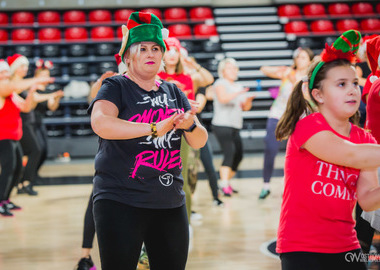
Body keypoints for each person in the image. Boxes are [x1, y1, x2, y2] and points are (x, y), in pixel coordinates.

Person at [88, 11, 208, 270]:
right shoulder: (115, 86)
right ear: (128, 55)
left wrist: (189, 125)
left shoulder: (174, 90)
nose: (150, 54)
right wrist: (154, 128)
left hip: (169, 201)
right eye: (142, 48)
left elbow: (199, 139)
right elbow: (101, 123)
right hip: (120, 199)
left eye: (156, 48)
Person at [275, 30, 380, 270]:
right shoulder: (308, 127)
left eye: (354, 83)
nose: (352, 89)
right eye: (341, 84)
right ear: (318, 95)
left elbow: (367, 200)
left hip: (346, 247)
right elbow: (350, 154)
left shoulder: (365, 138)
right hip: (301, 247)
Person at [158, 37, 214, 219]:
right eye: (169, 51)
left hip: (186, 129)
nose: (172, 55)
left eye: (176, 51)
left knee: (189, 172)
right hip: (163, 131)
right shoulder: (156, 77)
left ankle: (186, 217)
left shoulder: (189, 76)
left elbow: (209, 79)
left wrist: (192, 63)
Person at [258, 47, 314, 199]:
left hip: (299, 118)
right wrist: (281, 69)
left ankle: (293, 185)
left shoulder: (311, 78)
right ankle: (266, 185)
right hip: (278, 114)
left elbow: (306, 96)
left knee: (298, 153)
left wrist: (292, 79)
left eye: (303, 57)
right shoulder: (289, 72)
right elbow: (264, 69)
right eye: (298, 57)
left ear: (310, 60)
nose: (300, 59)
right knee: (270, 147)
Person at [0, 60, 49, 217]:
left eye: (6, 72)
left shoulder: (11, 93)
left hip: (13, 136)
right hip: (3, 137)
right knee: (8, 169)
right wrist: (36, 79)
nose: (6, 75)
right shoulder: (2, 88)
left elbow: (26, 108)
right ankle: (1, 201)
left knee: (17, 169)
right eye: (3, 73)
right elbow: (12, 86)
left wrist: (32, 92)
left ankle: (6, 199)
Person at [211, 58, 255, 196]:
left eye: (235, 68)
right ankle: (224, 185)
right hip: (222, 124)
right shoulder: (220, 83)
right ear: (223, 71)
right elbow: (223, 99)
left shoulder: (238, 86)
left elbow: (245, 108)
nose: (234, 70)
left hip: (235, 124)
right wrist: (239, 93)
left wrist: (248, 100)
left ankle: (224, 182)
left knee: (239, 155)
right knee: (229, 153)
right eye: (230, 68)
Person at [7, 53, 41, 196]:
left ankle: (21, 183)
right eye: (22, 65)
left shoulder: (23, 83)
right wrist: (37, 80)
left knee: (23, 156)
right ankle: (23, 182)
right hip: (15, 124)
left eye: (26, 65)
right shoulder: (12, 83)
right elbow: (15, 89)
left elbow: (29, 105)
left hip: (23, 122)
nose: (25, 68)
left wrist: (33, 93)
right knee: (35, 150)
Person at [32, 59, 64, 177]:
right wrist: (53, 95)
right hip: (29, 123)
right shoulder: (32, 88)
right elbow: (36, 98)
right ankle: (28, 177)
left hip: (39, 122)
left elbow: (52, 107)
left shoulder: (48, 90)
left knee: (44, 151)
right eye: (43, 75)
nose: (46, 77)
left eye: (47, 75)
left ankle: (33, 174)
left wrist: (57, 98)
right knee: (37, 150)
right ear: (36, 76)